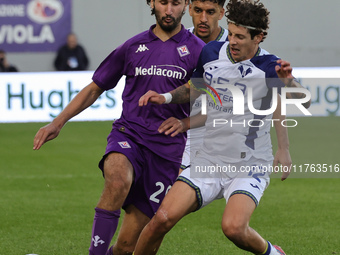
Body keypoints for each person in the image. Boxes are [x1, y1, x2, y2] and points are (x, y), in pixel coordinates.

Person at [135, 0, 309, 254]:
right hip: (210, 159)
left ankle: (272, 252)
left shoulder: (270, 67)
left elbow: (302, 100)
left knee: (233, 228)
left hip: (249, 163)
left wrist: (289, 84)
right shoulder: (211, 53)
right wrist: (167, 97)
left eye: (240, 36)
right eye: (231, 33)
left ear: (258, 37)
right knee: (161, 219)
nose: (233, 41)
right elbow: (196, 88)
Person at [33, 0, 205, 255]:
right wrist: (58, 122)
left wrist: (183, 123)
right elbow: (95, 87)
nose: (168, 10)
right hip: (130, 134)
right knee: (117, 179)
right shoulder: (132, 46)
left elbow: (212, 102)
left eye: (175, 3)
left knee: (125, 248)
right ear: (151, 3)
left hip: (167, 152)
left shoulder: (199, 51)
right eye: (163, 2)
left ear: (185, 5)